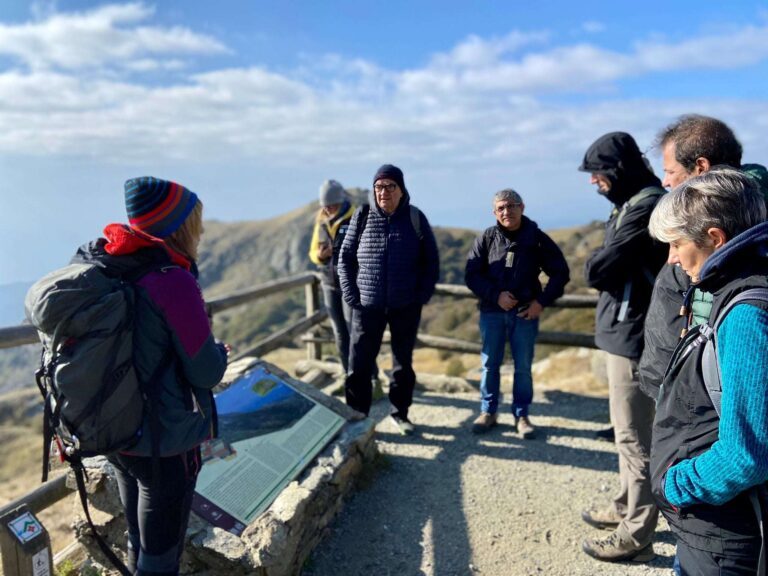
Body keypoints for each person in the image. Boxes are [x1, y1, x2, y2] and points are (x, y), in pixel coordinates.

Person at [100, 176, 229, 575]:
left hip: (119, 429)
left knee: (140, 544)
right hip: (165, 441)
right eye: (195, 221)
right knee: (161, 557)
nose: (202, 230)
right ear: (177, 227)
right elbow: (205, 372)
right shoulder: (173, 283)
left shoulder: (115, 267)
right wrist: (220, 354)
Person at [648, 168, 768, 575]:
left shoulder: (747, 312)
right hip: (719, 526)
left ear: (715, 238)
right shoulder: (740, 286)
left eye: (678, 243)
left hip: (725, 537)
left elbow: (745, 456)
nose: (672, 258)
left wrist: (677, 485)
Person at [578, 132, 667, 562]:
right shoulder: (633, 204)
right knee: (626, 432)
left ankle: (636, 534)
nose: (594, 183)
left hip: (634, 335)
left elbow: (598, 269)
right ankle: (624, 507)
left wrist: (596, 259)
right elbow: (606, 263)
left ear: (616, 172)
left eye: (597, 175)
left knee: (635, 436)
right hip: (626, 330)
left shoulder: (646, 207)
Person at [639, 114, 768, 400]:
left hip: (700, 402)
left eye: (670, 171)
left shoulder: (713, 246)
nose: (665, 180)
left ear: (701, 167)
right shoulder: (744, 223)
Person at [338, 164, 439, 434]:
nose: (384, 192)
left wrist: (421, 295)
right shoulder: (361, 216)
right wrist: (351, 294)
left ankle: (400, 414)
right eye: (379, 187)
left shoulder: (415, 218)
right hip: (366, 307)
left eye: (390, 186)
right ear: (374, 190)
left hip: (405, 305)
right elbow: (344, 259)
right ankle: (358, 419)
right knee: (358, 366)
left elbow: (431, 261)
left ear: (401, 189)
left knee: (402, 365)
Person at [465, 188, 569, 438]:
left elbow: (560, 273)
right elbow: (471, 275)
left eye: (511, 206)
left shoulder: (537, 238)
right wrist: (495, 295)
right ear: (494, 213)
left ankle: (522, 416)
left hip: (525, 314)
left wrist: (541, 302)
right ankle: (487, 412)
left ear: (522, 208)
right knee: (490, 365)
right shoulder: (487, 238)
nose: (506, 211)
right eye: (501, 208)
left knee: (522, 367)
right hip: (492, 312)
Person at [308, 180, 357, 373]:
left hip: (351, 284)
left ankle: (371, 378)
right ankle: (348, 377)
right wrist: (320, 256)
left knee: (355, 332)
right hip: (329, 283)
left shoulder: (356, 219)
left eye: (331, 206)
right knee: (340, 334)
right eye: (325, 206)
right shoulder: (320, 221)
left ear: (341, 201)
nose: (328, 210)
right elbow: (313, 252)